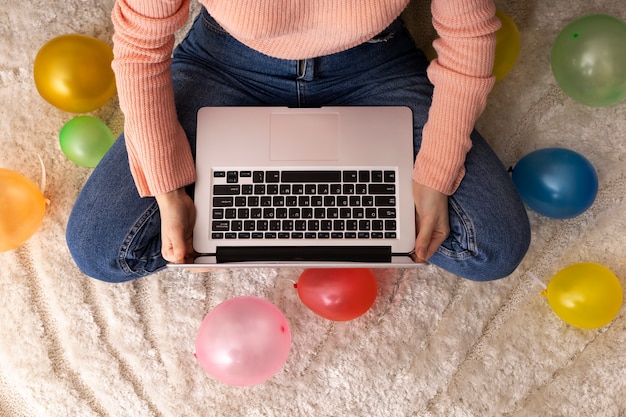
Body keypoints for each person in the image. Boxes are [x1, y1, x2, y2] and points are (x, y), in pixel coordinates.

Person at [66, 0, 531, 283]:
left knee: (495, 249)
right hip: (223, 62)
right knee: (100, 249)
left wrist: (437, 172)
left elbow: (468, 35)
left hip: (375, 67)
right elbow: (140, 48)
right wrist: (169, 192)